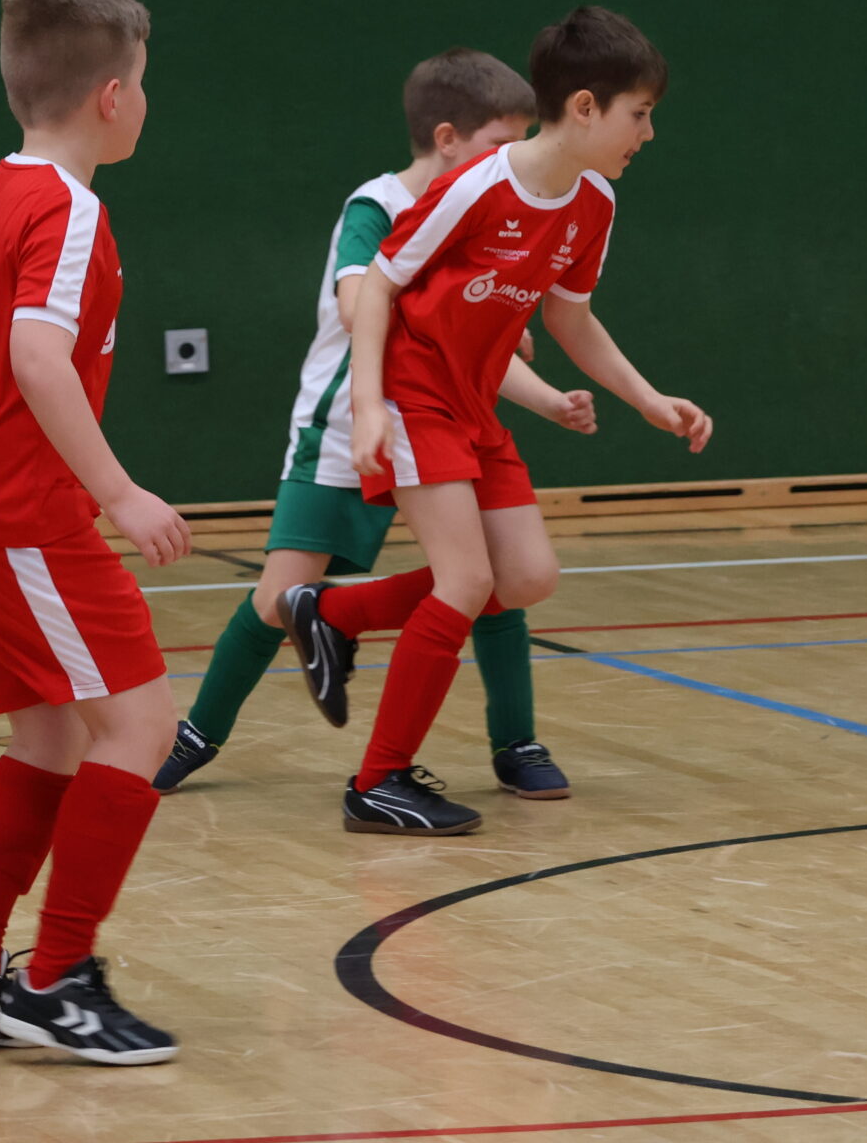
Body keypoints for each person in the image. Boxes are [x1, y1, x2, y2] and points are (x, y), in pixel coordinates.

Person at [288, 7, 713, 835]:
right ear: (584, 108)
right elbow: (378, 286)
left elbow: (569, 318)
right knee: (465, 581)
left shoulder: (594, 202)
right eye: (640, 114)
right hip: (413, 391)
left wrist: (648, 398)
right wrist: (369, 404)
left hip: (472, 400)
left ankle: (334, 613)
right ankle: (377, 782)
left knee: (524, 577)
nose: (648, 133)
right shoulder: (478, 186)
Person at [0, 0, 187, 1065]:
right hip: (21, 513)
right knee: (141, 728)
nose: (145, 100)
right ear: (111, 96)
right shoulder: (69, 208)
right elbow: (35, 354)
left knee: (50, 734)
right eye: (143, 82)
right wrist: (119, 491)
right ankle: (55, 979)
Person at [158, 49, 594, 798]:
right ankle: (197, 733)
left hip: (438, 418)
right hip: (346, 426)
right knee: (276, 598)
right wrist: (461, 304)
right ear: (448, 139)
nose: (517, 155)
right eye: (502, 140)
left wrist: (549, 397)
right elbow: (364, 303)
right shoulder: (376, 206)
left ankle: (515, 740)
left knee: (495, 580)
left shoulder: (494, 207)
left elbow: (469, 351)